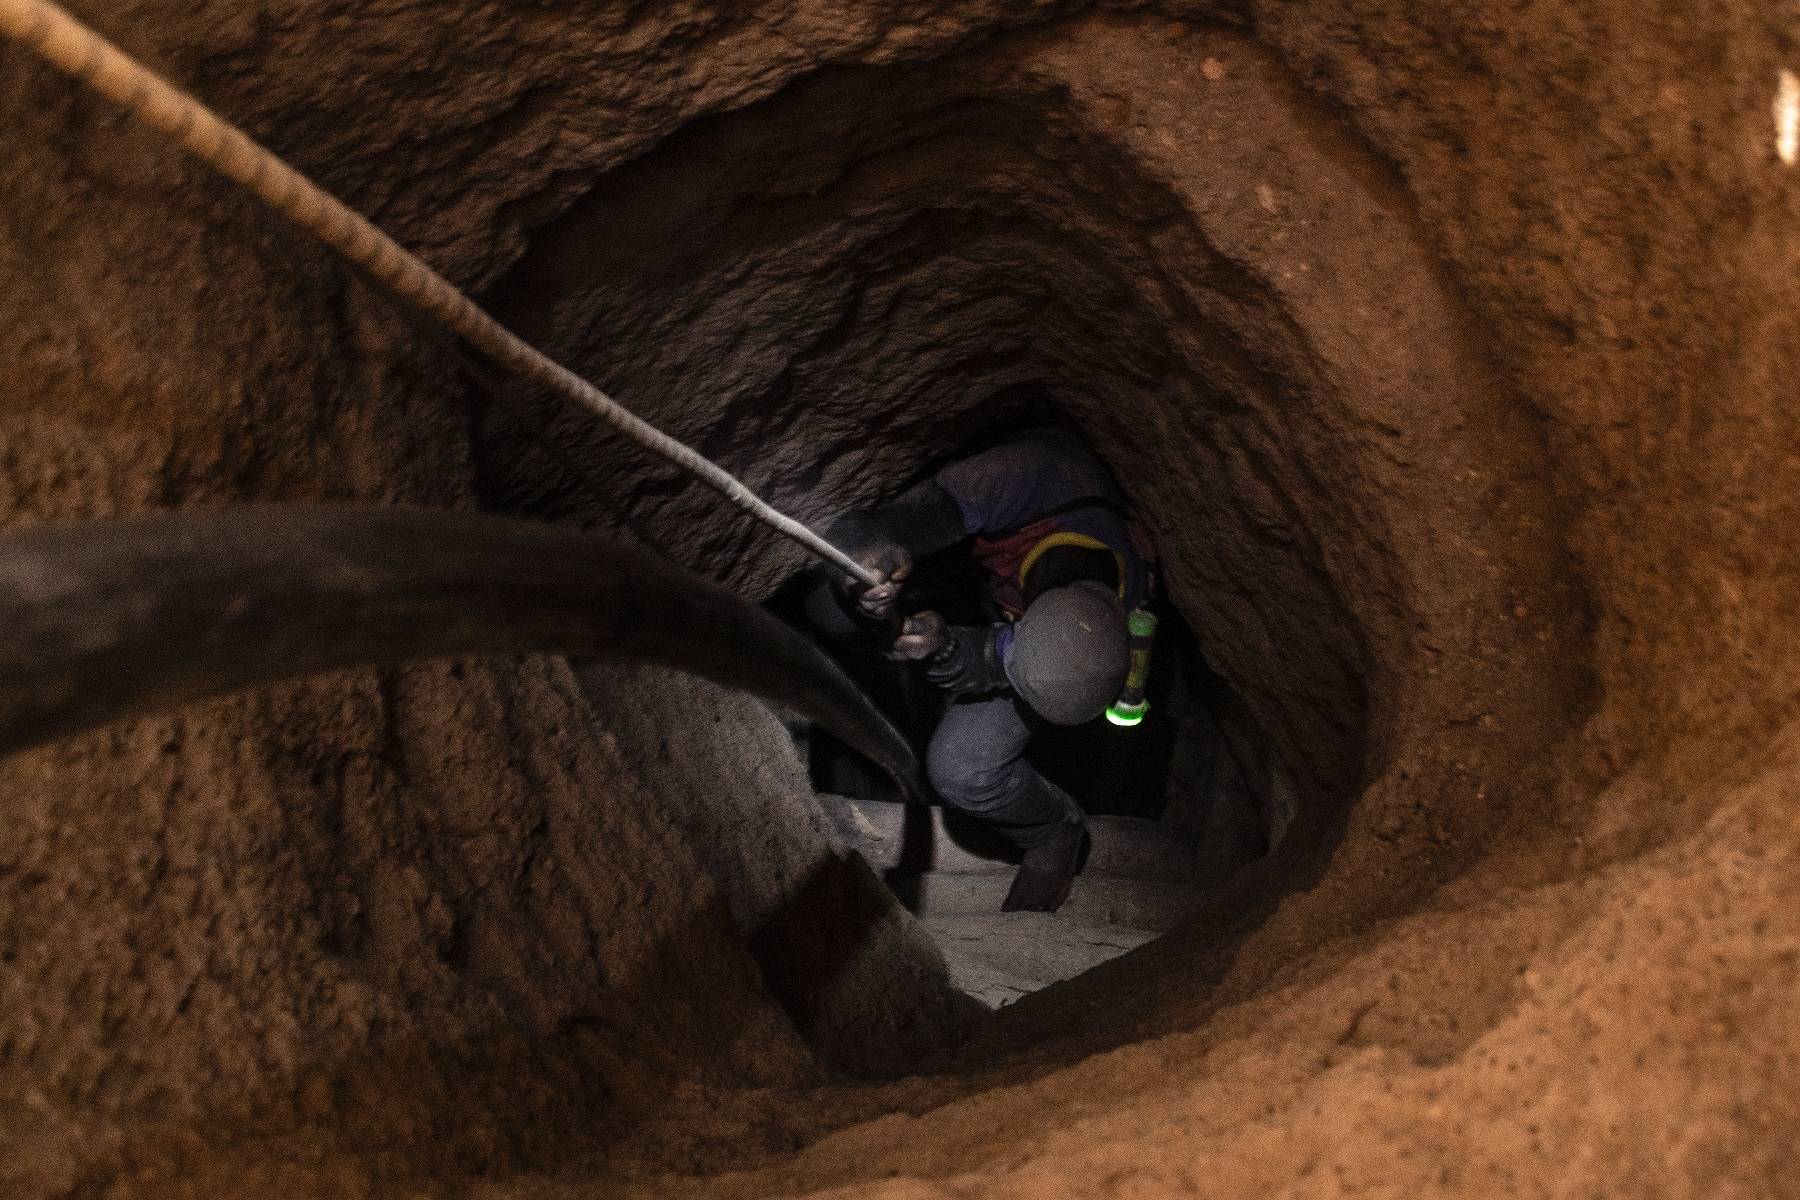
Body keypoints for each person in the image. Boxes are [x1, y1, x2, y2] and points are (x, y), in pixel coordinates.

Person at [809, 428, 1149, 912]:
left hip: (1017, 626)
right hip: (971, 573)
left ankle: (1052, 829)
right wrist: (870, 554)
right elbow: (878, 527)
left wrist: (945, 647)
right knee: (828, 608)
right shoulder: (1026, 479)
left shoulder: (1117, 611)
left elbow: (993, 660)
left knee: (962, 769)